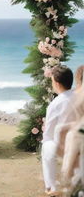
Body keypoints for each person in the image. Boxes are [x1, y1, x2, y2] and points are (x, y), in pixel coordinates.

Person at [41, 66, 75, 196]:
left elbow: (49, 132)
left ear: (56, 83)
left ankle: (51, 186)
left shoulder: (55, 104)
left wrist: (46, 140)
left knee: (47, 146)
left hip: (66, 143)